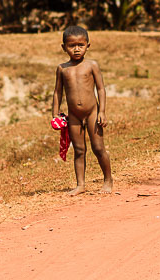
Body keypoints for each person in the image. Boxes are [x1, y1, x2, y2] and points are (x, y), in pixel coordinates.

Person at [51, 25, 113, 195]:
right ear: (64, 47)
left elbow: (101, 89)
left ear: (88, 45)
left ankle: (108, 180)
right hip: (74, 117)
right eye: (72, 45)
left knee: (98, 148)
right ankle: (80, 185)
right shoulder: (62, 68)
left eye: (81, 45)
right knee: (79, 150)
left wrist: (102, 111)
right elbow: (58, 92)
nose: (76, 49)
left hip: (92, 113)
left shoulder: (92, 65)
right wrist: (55, 114)